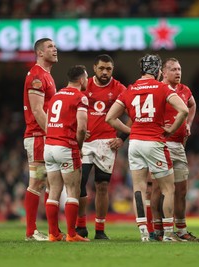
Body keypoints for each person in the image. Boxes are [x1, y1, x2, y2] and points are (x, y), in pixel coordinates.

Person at [105, 54, 189, 242]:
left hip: (134, 144)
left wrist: (132, 130)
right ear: (159, 70)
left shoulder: (130, 89)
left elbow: (109, 118)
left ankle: (144, 232)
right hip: (155, 141)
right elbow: (184, 110)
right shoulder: (162, 88)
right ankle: (168, 233)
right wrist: (171, 130)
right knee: (168, 189)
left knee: (139, 188)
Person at [75, 54, 127, 240]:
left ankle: (100, 229)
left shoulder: (120, 88)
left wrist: (122, 138)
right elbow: (70, 108)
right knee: (80, 183)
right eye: (101, 68)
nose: (105, 72)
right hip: (86, 143)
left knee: (102, 185)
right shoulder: (84, 85)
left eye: (108, 69)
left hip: (107, 143)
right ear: (94, 68)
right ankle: (81, 226)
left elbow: (134, 113)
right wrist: (78, 130)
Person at [150, 58, 197, 241]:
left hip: (179, 145)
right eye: (173, 69)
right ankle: (157, 229)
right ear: (164, 72)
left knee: (181, 189)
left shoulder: (185, 90)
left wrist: (189, 123)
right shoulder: (157, 89)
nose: (178, 73)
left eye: (179, 69)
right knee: (157, 189)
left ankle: (181, 229)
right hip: (160, 144)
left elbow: (192, 105)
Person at [44, 65, 90, 242]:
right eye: (86, 78)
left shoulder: (56, 95)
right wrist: (78, 147)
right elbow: (82, 128)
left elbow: (49, 121)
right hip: (66, 146)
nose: (87, 80)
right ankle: (71, 234)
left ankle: (53, 234)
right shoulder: (80, 97)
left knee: (54, 190)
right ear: (81, 80)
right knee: (72, 190)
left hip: (49, 146)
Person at [23, 38, 58, 241]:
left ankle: (53, 231)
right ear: (39, 53)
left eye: (54, 46)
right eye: (50, 47)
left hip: (43, 136)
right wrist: (53, 133)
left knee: (50, 182)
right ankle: (30, 231)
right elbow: (37, 110)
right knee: (37, 181)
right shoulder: (37, 76)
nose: (55, 49)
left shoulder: (46, 76)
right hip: (38, 136)